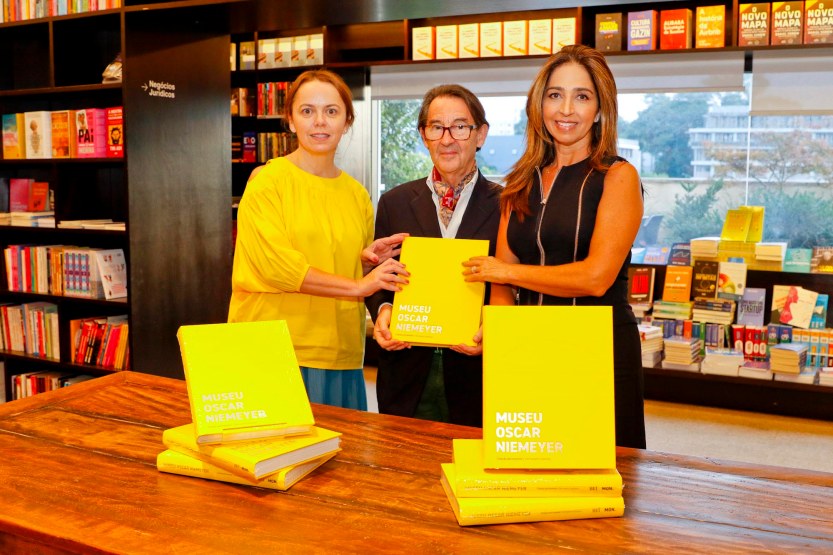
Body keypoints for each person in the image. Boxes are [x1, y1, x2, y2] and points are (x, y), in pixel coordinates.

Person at [463, 45, 647, 449]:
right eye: (555, 95)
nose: (566, 109)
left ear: (599, 109)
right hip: (527, 349)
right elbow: (500, 284)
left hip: (597, 350)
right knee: (528, 471)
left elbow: (596, 277)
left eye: (582, 96)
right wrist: (499, 334)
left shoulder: (618, 176)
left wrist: (505, 272)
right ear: (539, 104)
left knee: (602, 477)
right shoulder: (520, 181)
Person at [229, 69, 409, 411]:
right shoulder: (268, 182)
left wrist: (365, 257)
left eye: (331, 111)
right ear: (291, 121)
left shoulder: (356, 195)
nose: (319, 122)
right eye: (307, 111)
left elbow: (333, 260)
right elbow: (277, 268)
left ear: (346, 121)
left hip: (341, 352)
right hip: (275, 349)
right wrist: (360, 285)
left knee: (341, 460)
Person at [366, 85, 501, 427]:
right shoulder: (394, 202)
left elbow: (515, 280)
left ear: (480, 134)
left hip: (478, 372)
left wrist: (496, 327)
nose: (447, 138)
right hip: (407, 369)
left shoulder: (510, 205)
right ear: (424, 135)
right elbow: (381, 274)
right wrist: (383, 310)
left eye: (460, 126)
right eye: (436, 127)